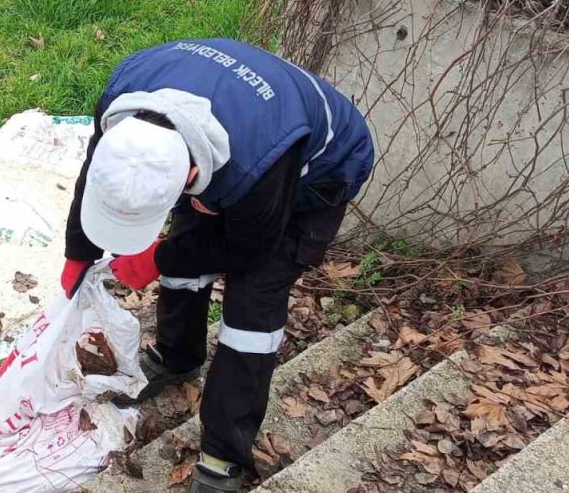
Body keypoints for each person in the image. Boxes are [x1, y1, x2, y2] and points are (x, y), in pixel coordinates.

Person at [61, 38, 374, 492]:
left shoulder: (256, 164)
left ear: (190, 176)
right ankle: (178, 356)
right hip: (230, 135)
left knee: (253, 307)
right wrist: (79, 250)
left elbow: (248, 248)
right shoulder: (123, 106)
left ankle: (224, 453)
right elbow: (95, 175)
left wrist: (157, 255)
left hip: (318, 173)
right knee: (188, 255)